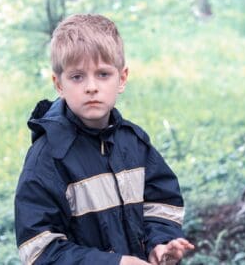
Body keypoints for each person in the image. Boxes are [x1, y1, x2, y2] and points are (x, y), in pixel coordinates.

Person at [14, 14, 194, 265]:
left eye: (102, 74)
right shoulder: (47, 159)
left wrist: (160, 243)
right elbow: (39, 250)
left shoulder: (134, 143)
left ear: (121, 78)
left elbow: (161, 203)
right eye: (77, 77)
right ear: (59, 84)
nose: (91, 87)